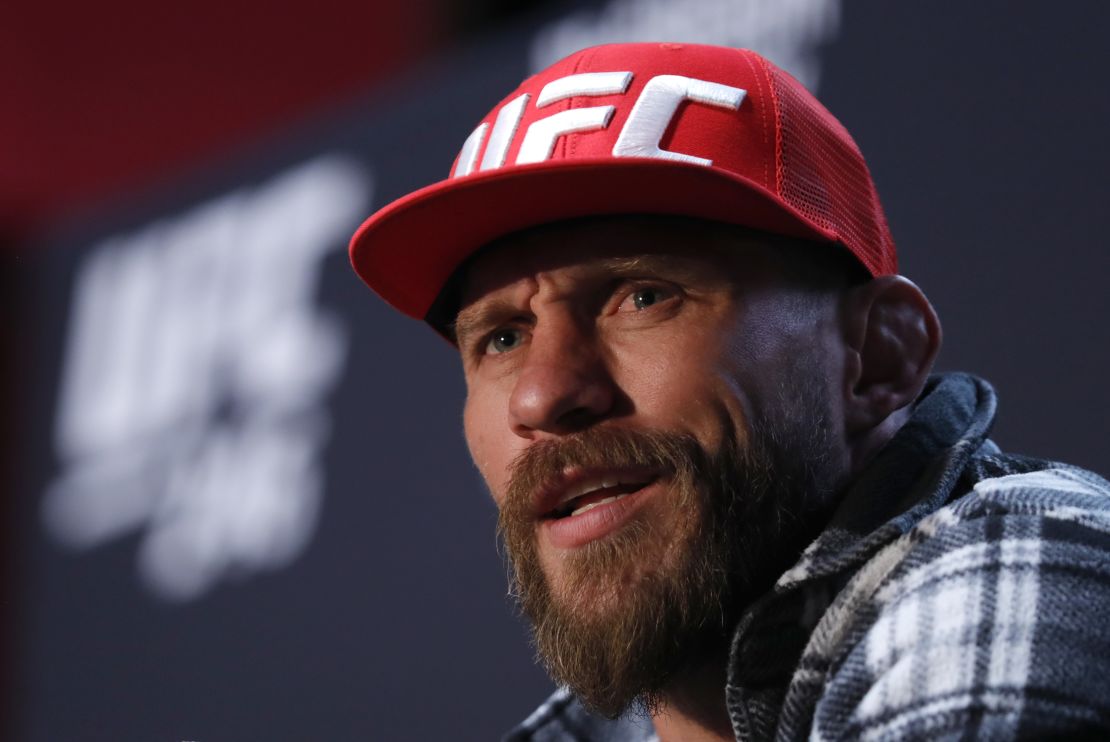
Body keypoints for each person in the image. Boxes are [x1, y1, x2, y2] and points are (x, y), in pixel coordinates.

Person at [348, 43, 1110, 741]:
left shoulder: (1017, 571)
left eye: (643, 296)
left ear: (879, 357)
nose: (542, 397)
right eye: (502, 338)